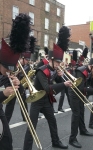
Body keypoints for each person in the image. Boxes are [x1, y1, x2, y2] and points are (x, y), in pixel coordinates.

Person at [0, 13, 31, 150]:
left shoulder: (5, 71)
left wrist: (16, 83)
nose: (9, 72)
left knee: (7, 141)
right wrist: (3, 94)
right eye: (7, 68)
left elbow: (7, 81)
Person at [68, 54, 93, 148]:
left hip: (80, 94)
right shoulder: (81, 71)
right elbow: (82, 89)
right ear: (91, 66)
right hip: (74, 94)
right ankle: (72, 139)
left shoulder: (88, 71)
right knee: (76, 114)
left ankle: (83, 130)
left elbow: (87, 84)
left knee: (81, 112)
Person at [4, 36, 36, 123]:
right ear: (22, 58)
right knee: (11, 104)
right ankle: (6, 121)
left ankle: (25, 117)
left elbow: (28, 76)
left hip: (20, 85)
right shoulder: (14, 63)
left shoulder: (27, 66)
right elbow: (6, 76)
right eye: (26, 59)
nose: (27, 61)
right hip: (11, 84)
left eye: (28, 60)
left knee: (24, 100)